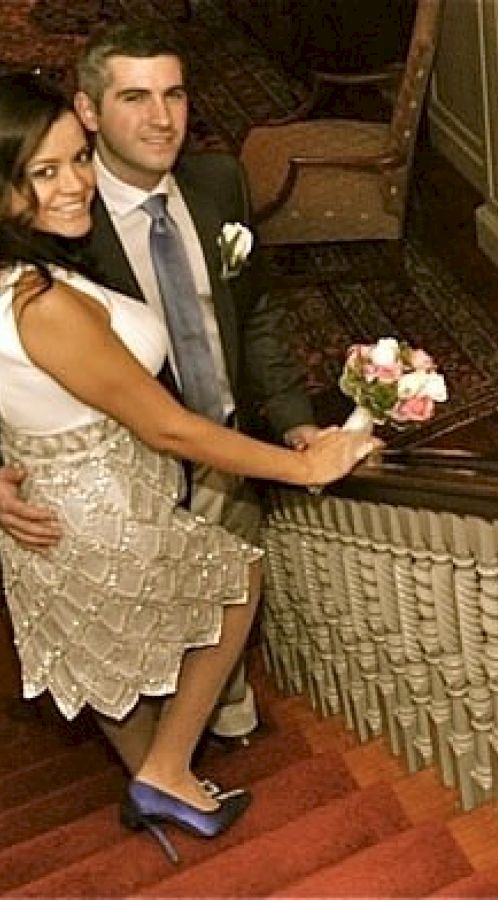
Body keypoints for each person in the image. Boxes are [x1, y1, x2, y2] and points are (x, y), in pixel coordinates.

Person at [0, 73, 381, 858]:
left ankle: (152, 780)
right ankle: (167, 770)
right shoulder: (44, 305)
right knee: (236, 580)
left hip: (47, 501)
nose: (75, 185)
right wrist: (304, 468)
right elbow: (170, 429)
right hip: (98, 505)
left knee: (102, 652)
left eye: (77, 160)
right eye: (44, 172)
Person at [0, 20, 320, 740]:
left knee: (229, 594)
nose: (162, 119)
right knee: (139, 633)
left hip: (227, 447)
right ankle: (165, 762)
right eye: (135, 97)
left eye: (174, 94)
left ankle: (224, 726)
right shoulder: (57, 230)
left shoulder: (219, 182)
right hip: (128, 479)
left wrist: (295, 418)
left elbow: (257, 310)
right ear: (88, 110)